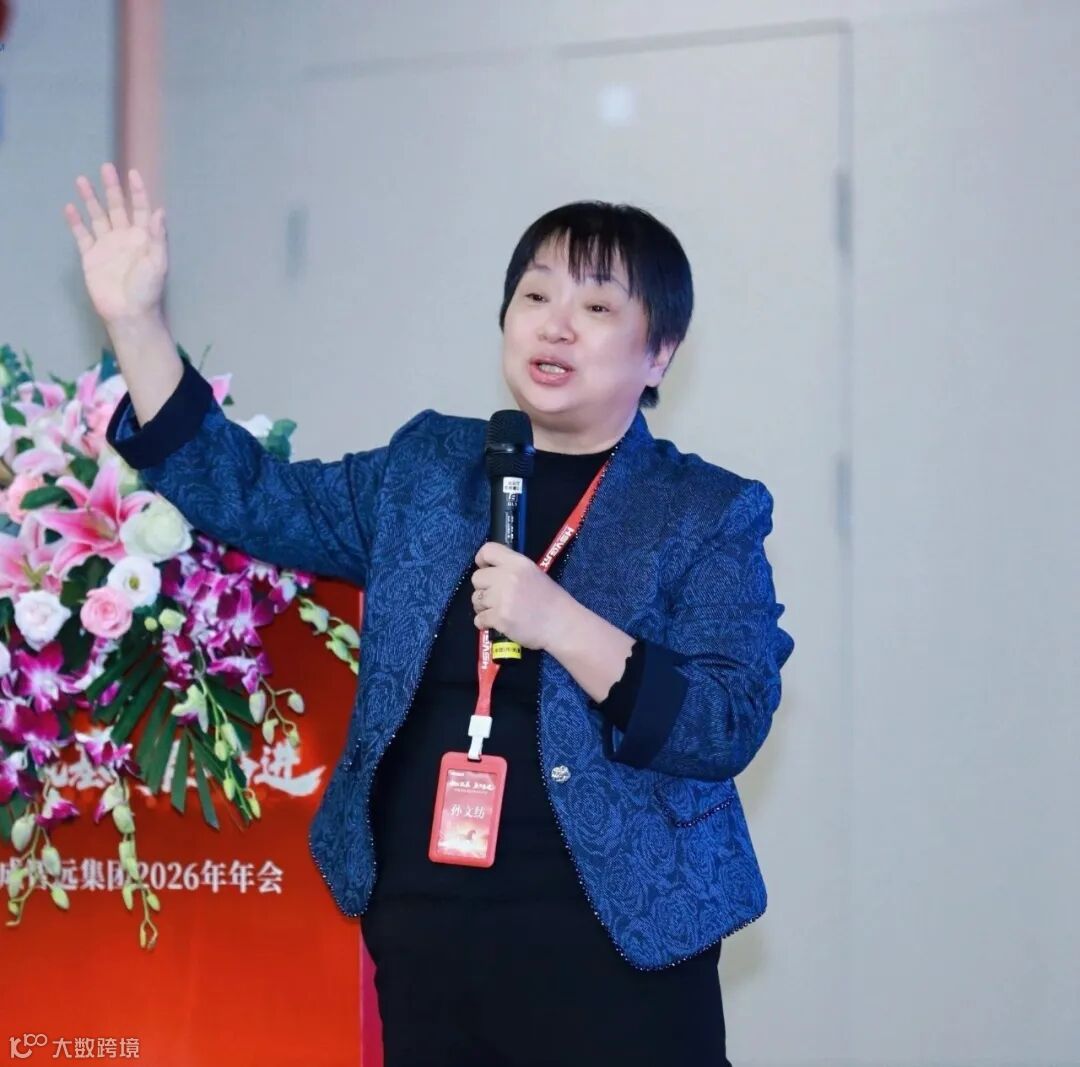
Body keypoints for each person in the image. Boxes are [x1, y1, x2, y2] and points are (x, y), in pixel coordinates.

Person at [66, 162, 795, 1067]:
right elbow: (250, 496)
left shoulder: (703, 511)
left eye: (599, 306)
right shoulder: (428, 471)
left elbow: (724, 719)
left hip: (617, 960)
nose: (556, 323)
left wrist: (559, 621)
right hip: (430, 947)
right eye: (536, 295)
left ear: (660, 353)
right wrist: (137, 323)